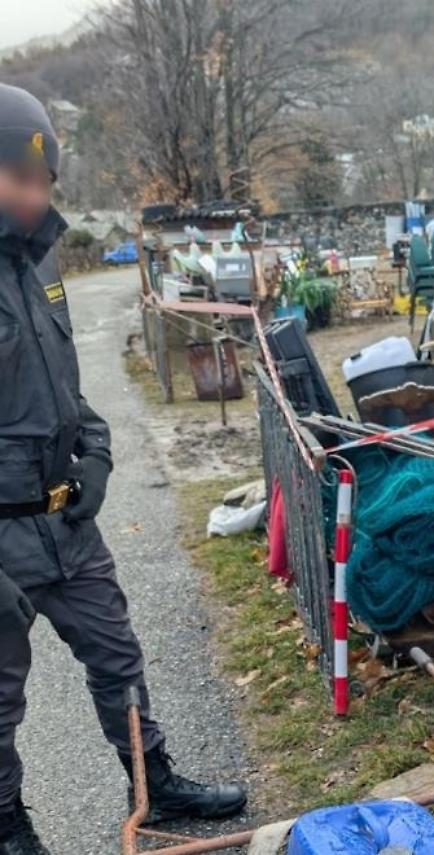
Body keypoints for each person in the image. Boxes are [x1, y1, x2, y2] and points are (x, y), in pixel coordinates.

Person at [0, 84, 247, 855]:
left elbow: (71, 397)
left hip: (66, 524)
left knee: (120, 660)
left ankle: (155, 784)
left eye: (45, 181)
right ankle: (8, 828)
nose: (37, 196)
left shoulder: (40, 270)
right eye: (20, 178)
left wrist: (99, 456)